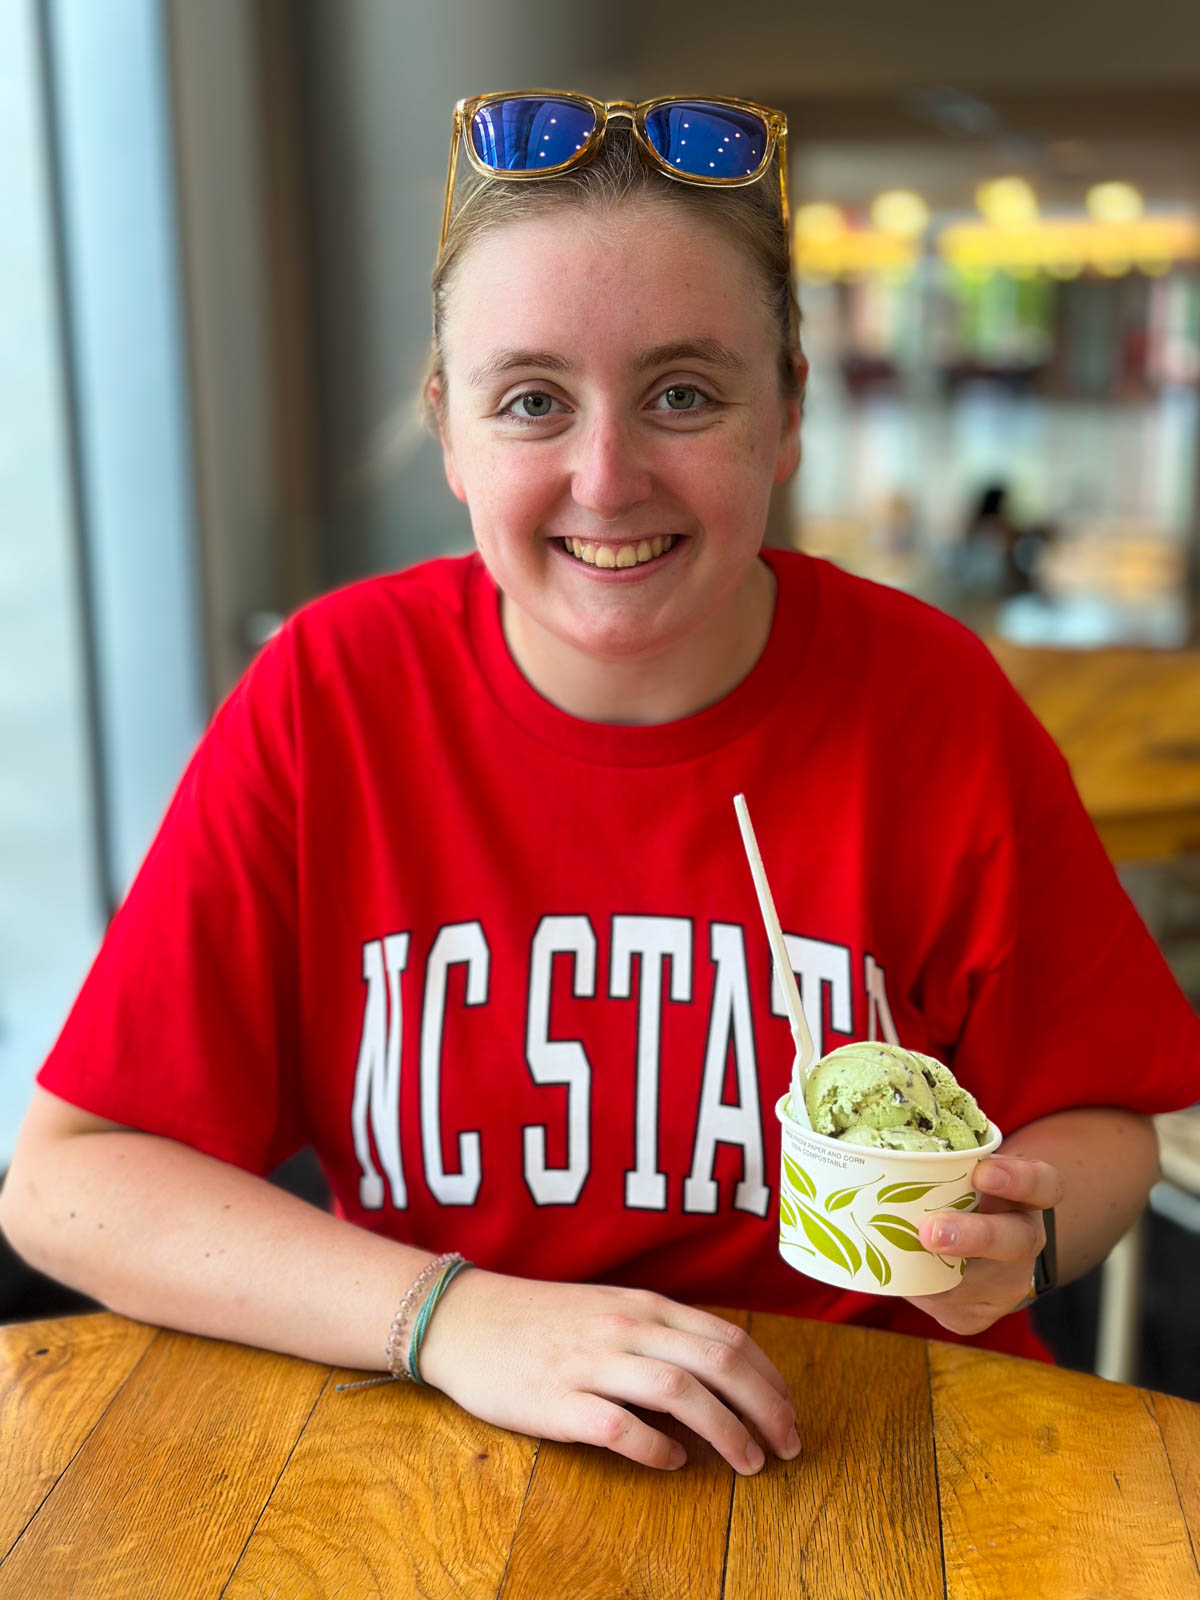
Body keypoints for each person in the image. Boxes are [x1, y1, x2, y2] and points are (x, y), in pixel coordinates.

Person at [2, 92, 1197, 1481]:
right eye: (532, 401)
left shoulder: (929, 701)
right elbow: (70, 1185)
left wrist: (1019, 1242)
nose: (607, 477)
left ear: (791, 410)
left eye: (684, 394)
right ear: (450, 430)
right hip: (449, 1458)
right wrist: (453, 1320)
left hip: (876, 1457)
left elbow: (1106, 1120)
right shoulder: (333, 696)